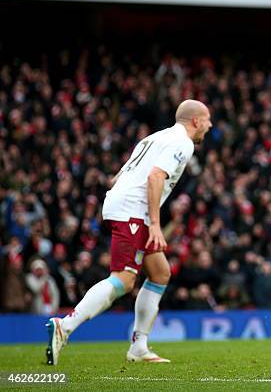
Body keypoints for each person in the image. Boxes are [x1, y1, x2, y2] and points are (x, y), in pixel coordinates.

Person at [46, 100, 212, 365]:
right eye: (207, 120)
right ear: (195, 121)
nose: (210, 125)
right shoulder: (183, 143)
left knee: (160, 273)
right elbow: (155, 177)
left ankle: (139, 346)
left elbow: (119, 176)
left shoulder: (156, 137)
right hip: (134, 210)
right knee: (123, 279)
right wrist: (155, 225)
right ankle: (64, 326)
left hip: (125, 204)